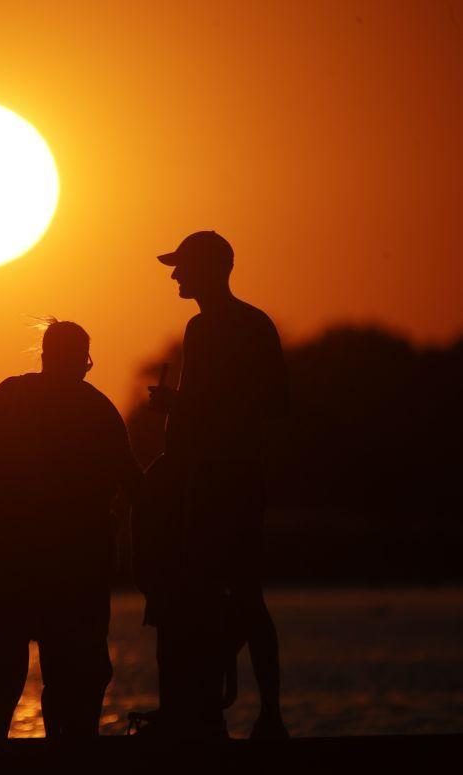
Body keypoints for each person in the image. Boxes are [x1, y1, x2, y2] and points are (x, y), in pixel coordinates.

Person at [0, 320, 146, 740]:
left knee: (10, 643)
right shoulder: (99, 409)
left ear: (45, 356)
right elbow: (135, 485)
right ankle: (72, 740)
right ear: (84, 361)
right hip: (79, 559)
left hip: (17, 553)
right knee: (75, 655)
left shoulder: (9, 396)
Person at [147, 230, 290, 739]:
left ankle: (201, 706)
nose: (175, 274)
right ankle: (263, 713)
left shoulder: (204, 329)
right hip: (245, 478)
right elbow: (274, 407)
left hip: (215, 481)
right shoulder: (255, 324)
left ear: (207, 269)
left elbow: (210, 407)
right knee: (246, 597)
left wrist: (172, 408)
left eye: (182, 266)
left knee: (205, 593)